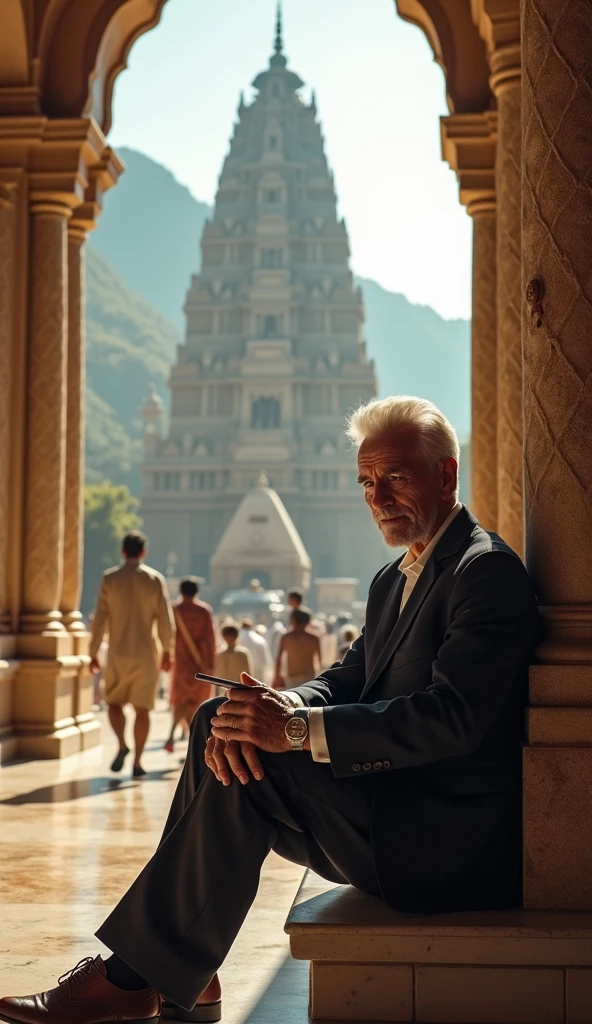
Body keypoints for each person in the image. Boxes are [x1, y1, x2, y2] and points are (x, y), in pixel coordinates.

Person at [0, 395, 541, 1024]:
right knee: (218, 720)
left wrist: (292, 729)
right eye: (367, 482)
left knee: (259, 756)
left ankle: (133, 976)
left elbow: (454, 716)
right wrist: (282, 702)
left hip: (441, 839)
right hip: (390, 811)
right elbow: (348, 676)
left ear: (446, 474)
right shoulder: (395, 578)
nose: (378, 497)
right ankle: (184, 973)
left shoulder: (485, 571)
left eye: (395, 476)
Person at [88, 531, 174, 779]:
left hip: (118, 652)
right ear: (143, 552)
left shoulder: (110, 579)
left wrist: (93, 652)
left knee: (113, 704)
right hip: (147, 654)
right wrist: (168, 651)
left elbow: (100, 620)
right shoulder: (154, 579)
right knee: (143, 710)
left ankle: (122, 744)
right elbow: (166, 621)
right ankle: (137, 761)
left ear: (123, 551)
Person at [164, 577, 216, 754]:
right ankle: (194, 740)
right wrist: (210, 664)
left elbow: (165, 636)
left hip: (180, 663)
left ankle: (172, 735)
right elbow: (210, 640)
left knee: (180, 701)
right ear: (197, 592)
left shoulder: (174, 610)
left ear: (181, 591)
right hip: (200, 666)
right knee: (197, 702)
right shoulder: (204, 611)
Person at [273, 607, 322, 688]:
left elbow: (279, 659)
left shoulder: (286, 637)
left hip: (292, 677)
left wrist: (276, 677)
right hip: (309, 677)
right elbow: (320, 660)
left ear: (293, 620)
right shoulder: (314, 638)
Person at [238, 618, 274, 684]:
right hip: (258, 669)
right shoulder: (259, 639)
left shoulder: (237, 637)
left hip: (241, 670)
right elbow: (266, 660)